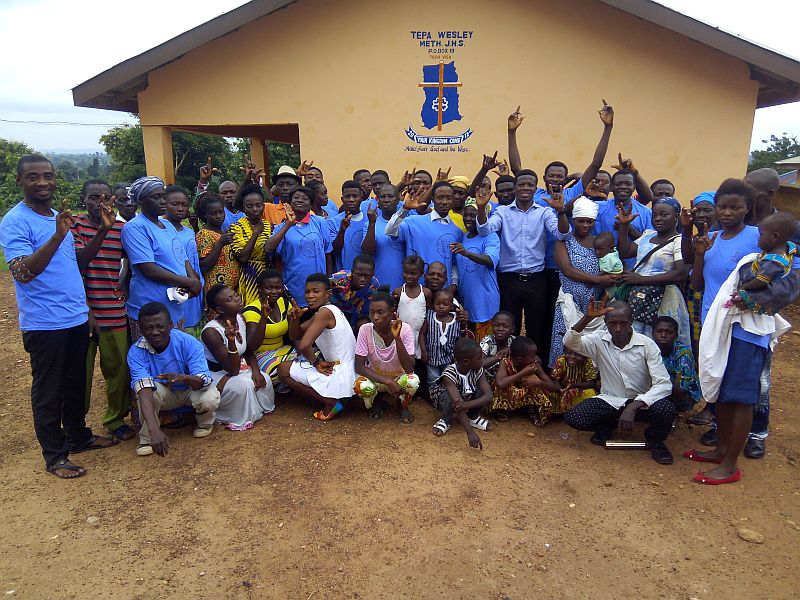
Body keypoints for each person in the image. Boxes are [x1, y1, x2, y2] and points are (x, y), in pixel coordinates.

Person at [0, 155, 119, 478]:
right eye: (34, 177)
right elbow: (24, 272)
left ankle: (78, 436)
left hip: (75, 317)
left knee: (74, 384)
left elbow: (77, 263)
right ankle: (55, 455)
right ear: (19, 181)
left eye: (48, 176)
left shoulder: (57, 217)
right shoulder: (15, 221)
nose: (42, 183)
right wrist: (56, 235)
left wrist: (101, 233)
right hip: (44, 322)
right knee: (48, 390)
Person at [688, 179, 800, 479]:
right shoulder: (711, 238)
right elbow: (697, 284)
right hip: (716, 324)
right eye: (721, 206)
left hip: (746, 330)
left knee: (740, 396)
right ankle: (721, 451)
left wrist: (753, 299)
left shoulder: (760, 237)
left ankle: (730, 466)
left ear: (748, 208)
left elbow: (789, 277)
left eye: (735, 207)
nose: (726, 212)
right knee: (722, 393)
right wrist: (699, 254)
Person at [563, 298, 676, 465]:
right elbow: (570, 342)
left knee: (666, 410)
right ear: (606, 322)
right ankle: (608, 425)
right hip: (611, 401)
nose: (617, 328)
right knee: (574, 417)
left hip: (642, 404)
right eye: (612, 323)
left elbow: (664, 384)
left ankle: (655, 440)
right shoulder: (598, 340)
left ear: (631, 322)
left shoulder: (647, 345)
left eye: (623, 323)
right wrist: (587, 318)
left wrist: (633, 406)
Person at [476, 172, 571, 352]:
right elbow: (485, 229)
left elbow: (563, 234)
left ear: (535, 189)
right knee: (509, 328)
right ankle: (508, 367)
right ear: (515, 189)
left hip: (536, 280)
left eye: (530, 185)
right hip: (509, 280)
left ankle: (535, 369)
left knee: (537, 328)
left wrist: (560, 210)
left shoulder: (545, 212)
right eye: (521, 185)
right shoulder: (502, 212)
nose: (525, 188)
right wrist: (481, 209)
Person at [71, 179, 134, 441]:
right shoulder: (74, 225)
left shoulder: (122, 229)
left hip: (114, 311)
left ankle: (115, 419)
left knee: (118, 370)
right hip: (79, 314)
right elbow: (77, 264)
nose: (100, 202)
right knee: (78, 374)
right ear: (83, 199)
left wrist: (125, 284)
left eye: (106, 197)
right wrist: (87, 311)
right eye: (94, 197)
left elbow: (132, 260)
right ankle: (75, 425)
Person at [127, 302, 220, 457]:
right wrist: (154, 430)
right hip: (165, 394)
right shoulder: (136, 352)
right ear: (140, 329)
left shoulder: (189, 343)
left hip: (190, 390)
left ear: (170, 325)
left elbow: (203, 380)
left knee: (209, 396)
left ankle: (205, 424)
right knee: (147, 393)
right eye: (148, 328)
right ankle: (148, 438)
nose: (155, 332)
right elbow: (143, 390)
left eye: (160, 326)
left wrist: (182, 378)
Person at [121, 176, 201, 339]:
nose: (162, 201)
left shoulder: (168, 226)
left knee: (175, 357)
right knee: (152, 359)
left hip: (174, 307)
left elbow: (182, 258)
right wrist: (189, 282)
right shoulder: (135, 228)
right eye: (156, 197)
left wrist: (194, 279)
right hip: (151, 312)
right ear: (141, 201)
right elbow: (149, 270)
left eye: (163, 196)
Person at [277, 273, 357, 420]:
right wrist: (295, 319)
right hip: (347, 369)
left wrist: (316, 363)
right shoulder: (326, 310)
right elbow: (295, 335)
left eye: (315, 291)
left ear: (327, 294)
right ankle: (338, 398)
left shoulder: (324, 313)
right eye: (307, 292)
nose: (310, 295)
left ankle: (330, 402)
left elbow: (304, 345)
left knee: (282, 369)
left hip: (338, 370)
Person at [617, 197, 690, 347]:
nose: (658, 218)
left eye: (664, 215)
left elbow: (680, 274)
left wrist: (641, 280)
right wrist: (624, 226)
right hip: (638, 297)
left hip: (664, 299)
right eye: (655, 214)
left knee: (659, 341)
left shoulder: (679, 241)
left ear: (676, 217)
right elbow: (625, 252)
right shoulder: (647, 235)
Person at [201, 285, 274, 430]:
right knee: (244, 386)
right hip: (218, 373)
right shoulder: (211, 332)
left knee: (264, 379)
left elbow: (248, 350)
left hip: (237, 367)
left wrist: (255, 371)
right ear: (220, 309)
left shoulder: (240, 319)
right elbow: (232, 369)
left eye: (235, 295)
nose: (236, 299)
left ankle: (257, 411)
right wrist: (231, 341)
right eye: (230, 299)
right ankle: (232, 416)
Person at [550, 197, 609, 367]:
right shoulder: (564, 242)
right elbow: (567, 270)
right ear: (574, 220)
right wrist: (597, 279)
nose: (585, 225)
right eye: (581, 221)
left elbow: (611, 265)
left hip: (594, 304)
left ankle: (588, 382)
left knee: (591, 343)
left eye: (589, 222)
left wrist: (605, 279)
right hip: (569, 302)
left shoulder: (601, 243)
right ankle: (560, 381)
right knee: (564, 339)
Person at [354, 292, 419, 423]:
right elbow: (359, 366)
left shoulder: (404, 329)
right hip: (377, 378)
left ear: (391, 313)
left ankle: (402, 405)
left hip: (399, 378)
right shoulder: (365, 330)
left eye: (380, 312)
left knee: (412, 381)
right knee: (360, 385)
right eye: (371, 312)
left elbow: (409, 368)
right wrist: (388, 382)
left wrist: (397, 338)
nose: (375, 317)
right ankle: (377, 401)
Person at [385, 180, 464, 286]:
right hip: (415, 291)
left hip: (442, 295)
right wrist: (404, 209)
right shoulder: (414, 222)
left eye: (449, 198)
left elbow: (454, 264)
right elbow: (389, 231)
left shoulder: (457, 231)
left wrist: (453, 285)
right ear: (433, 199)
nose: (445, 202)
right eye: (440, 198)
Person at [273, 187, 333, 306]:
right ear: (289, 203)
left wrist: (328, 281)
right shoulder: (280, 228)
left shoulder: (320, 222)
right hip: (294, 286)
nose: (300, 200)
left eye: (305, 198)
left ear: (310, 204)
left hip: (319, 286)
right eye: (296, 197)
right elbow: (269, 250)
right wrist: (288, 225)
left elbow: (328, 253)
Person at [451, 198, 501, 339]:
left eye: (473, 215)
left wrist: (467, 253)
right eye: (465, 215)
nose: (468, 218)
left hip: (484, 301)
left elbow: (491, 260)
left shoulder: (490, 237)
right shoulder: (463, 237)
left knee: (485, 345)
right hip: (466, 301)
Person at [432, 338, 493, 449]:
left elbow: (489, 396)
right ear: (466, 362)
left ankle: (473, 417)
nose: (482, 361)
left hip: (465, 399)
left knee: (480, 390)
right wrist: (470, 433)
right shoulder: (449, 374)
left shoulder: (478, 369)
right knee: (449, 398)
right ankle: (446, 419)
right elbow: (457, 405)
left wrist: (466, 405)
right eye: (479, 358)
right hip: (448, 400)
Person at [243, 269, 297, 386]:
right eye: (269, 288)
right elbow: (252, 346)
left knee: (310, 360)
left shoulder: (285, 303)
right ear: (260, 288)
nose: (274, 291)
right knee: (283, 371)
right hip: (262, 355)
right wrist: (263, 317)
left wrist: (295, 319)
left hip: (283, 350)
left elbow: (294, 337)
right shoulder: (252, 310)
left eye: (278, 288)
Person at [164, 185, 204, 335]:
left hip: (194, 286)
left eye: (184, 205)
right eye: (175, 204)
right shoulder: (161, 230)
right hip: (175, 286)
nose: (180, 208)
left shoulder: (188, 231)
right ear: (165, 204)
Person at [492, 336, 558, 425]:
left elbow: (553, 386)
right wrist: (523, 373)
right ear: (520, 359)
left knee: (534, 384)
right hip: (508, 396)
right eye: (533, 355)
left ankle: (530, 409)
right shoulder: (505, 362)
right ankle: (501, 409)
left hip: (522, 396)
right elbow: (500, 383)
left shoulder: (534, 365)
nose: (536, 358)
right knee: (500, 386)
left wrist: (539, 382)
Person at [594, 170, 653, 267]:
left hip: (633, 271)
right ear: (611, 187)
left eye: (628, 183)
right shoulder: (597, 208)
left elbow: (651, 244)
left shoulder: (646, 212)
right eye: (618, 183)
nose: (623, 187)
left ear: (634, 187)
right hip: (603, 270)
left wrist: (629, 229)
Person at [731, 211, 798, 297]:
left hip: (761, 289)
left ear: (774, 237)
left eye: (761, 235)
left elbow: (761, 281)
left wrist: (744, 287)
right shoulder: (790, 246)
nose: (758, 238)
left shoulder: (773, 262)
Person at [229, 184, 272, 306]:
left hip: (266, 275)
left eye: (258, 205)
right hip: (248, 276)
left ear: (263, 206)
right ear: (244, 207)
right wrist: (255, 234)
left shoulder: (269, 226)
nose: (254, 209)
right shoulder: (237, 227)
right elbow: (242, 258)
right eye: (250, 206)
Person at [420, 288, 464, 408]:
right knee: (433, 379)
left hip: (449, 358)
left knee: (449, 378)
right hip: (432, 357)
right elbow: (422, 334)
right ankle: (436, 400)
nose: (441, 307)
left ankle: (448, 399)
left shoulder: (457, 320)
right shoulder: (429, 317)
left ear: (451, 306)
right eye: (437, 303)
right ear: (433, 304)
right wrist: (423, 350)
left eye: (445, 304)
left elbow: (459, 339)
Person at [652, 316, 702, 413]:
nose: (663, 335)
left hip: (683, 398)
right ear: (653, 333)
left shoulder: (683, 354)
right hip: (657, 391)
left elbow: (682, 390)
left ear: (676, 335)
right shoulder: (648, 349)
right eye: (659, 331)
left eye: (669, 332)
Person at [361, 184, 406, 291]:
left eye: (390, 196)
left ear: (398, 199)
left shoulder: (408, 223)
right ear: (378, 200)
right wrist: (372, 223)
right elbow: (367, 252)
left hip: (405, 286)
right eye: (382, 196)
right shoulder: (369, 224)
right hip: (378, 286)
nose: (386, 200)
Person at [194, 191, 239, 294]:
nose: (218, 216)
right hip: (216, 291)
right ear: (205, 215)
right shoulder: (204, 234)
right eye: (213, 213)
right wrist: (220, 244)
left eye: (221, 212)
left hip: (232, 290)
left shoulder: (224, 232)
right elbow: (204, 266)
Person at [393, 255, 431, 358]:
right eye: (406, 272)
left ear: (421, 274)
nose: (409, 276)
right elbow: (394, 313)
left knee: (416, 363)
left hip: (419, 336)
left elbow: (428, 314)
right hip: (401, 334)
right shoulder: (399, 292)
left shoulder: (426, 293)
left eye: (413, 273)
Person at [328, 254, 380, 329]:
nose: (362, 279)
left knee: (364, 325)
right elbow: (323, 290)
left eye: (367, 276)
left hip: (357, 315)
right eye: (359, 275)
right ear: (352, 272)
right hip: (334, 312)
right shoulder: (338, 279)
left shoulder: (374, 286)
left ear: (372, 275)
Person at [329, 180, 367, 272]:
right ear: (342, 199)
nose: (351, 199)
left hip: (365, 274)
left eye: (355, 196)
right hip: (343, 276)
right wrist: (341, 232)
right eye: (347, 196)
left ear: (361, 197)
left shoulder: (370, 219)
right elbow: (334, 251)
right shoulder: (333, 222)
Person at [547, 348, 600, 414]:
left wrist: (575, 385)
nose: (572, 357)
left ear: (585, 355)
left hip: (579, 391)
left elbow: (591, 383)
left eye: (578, 355)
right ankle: (558, 412)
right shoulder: (561, 361)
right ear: (564, 352)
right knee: (549, 392)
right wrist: (560, 389)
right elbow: (555, 379)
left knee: (590, 393)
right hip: (563, 391)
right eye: (568, 353)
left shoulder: (588, 362)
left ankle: (576, 412)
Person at [479, 311, 516, 390]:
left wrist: (512, 349)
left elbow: (533, 358)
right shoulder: (488, 341)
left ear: (512, 329)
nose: (500, 329)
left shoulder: (514, 341)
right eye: (497, 325)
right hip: (487, 381)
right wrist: (500, 356)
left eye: (505, 326)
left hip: (507, 381)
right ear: (492, 327)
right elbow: (480, 363)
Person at [593, 231, 624, 298]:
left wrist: (594, 280)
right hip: (613, 277)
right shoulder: (610, 251)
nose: (597, 252)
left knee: (611, 296)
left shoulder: (609, 257)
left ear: (611, 248)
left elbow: (605, 270)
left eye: (600, 249)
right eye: (595, 249)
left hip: (613, 277)